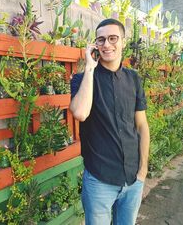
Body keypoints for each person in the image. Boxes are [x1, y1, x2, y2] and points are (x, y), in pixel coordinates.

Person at [70, 18, 150, 225]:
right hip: (99, 180)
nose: (106, 44)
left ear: (123, 41)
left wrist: (143, 170)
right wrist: (89, 68)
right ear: (95, 45)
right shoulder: (82, 79)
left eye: (113, 38)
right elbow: (80, 113)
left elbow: (141, 125)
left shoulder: (133, 79)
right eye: (101, 40)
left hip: (133, 178)